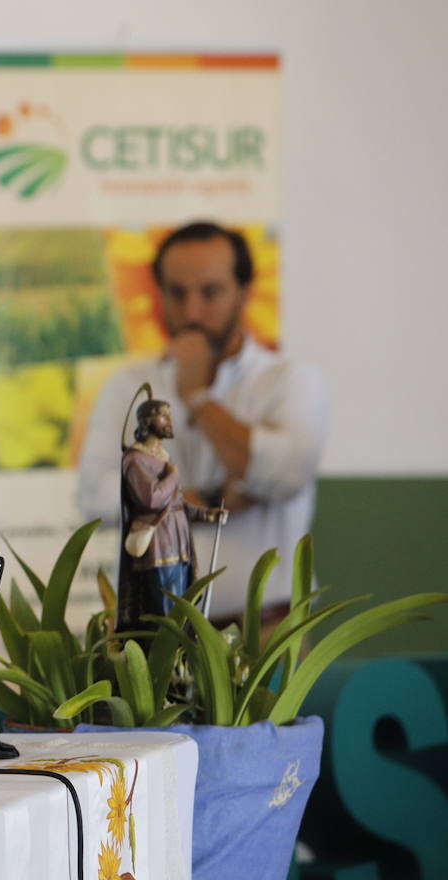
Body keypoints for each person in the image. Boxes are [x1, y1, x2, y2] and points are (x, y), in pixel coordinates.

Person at [78, 222, 328, 625]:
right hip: (152, 630)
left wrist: (197, 397)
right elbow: (95, 496)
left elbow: (285, 475)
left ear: (244, 291)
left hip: (265, 630)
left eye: (210, 292)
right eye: (177, 294)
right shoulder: (127, 384)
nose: (192, 313)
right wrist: (207, 500)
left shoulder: (290, 379)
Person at [117, 397, 226, 628]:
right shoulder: (135, 460)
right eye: (163, 416)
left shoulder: (165, 458)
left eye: (169, 416)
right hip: (158, 549)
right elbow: (152, 498)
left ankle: (181, 649)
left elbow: (177, 504)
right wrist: (173, 475)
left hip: (181, 545)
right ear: (147, 421)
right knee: (167, 615)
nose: (169, 421)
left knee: (184, 611)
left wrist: (205, 514)